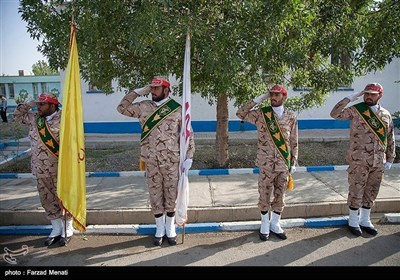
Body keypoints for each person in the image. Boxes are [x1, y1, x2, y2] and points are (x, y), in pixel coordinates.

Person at [117, 76, 195, 246]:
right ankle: (159, 228)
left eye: (156, 88)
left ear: (166, 90)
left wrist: (189, 156)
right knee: (155, 195)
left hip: (171, 161)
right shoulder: (144, 106)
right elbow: (121, 108)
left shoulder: (177, 109)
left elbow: (188, 133)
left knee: (171, 195)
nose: (152, 91)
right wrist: (138, 92)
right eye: (151, 88)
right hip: (151, 159)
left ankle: (170, 228)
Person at [330, 83, 396, 237]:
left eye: (372, 94)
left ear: (380, 95)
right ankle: (353, 220)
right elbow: (335, 113)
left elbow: (390, 137)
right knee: (356, 189)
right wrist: (349, 98)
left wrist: (391, 157)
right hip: (358, 160)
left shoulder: (386, 114)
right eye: (366, 93)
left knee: (372, 190)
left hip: (378, 160)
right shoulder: (357, 110)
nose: (368, 96)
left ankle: (365, 220)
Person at [236, 85, 298, 241]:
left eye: (277, 95)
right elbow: (241, 113)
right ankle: (264, 224)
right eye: (272, 95)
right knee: (264, 194)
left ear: (284, 97)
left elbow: (294, 141)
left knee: (280, 195)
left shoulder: (291, 117)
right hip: (266, 163)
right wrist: (260, 98)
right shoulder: (262, 115)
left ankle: (275, 224)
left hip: (283, 164)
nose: (273, 97)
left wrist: (294, 161)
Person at [13, 93, 74, 246]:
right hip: (40, 169)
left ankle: (68, 227)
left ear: (53, 105)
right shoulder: (35, 118)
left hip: (60, 169)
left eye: (42, 104)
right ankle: (56, 228)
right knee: (46, 199)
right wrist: (28, 103)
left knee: (64, 198)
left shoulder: (65, 119)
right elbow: (17, 116)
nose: (38, 107)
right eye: (38, 104)